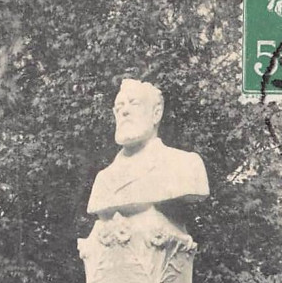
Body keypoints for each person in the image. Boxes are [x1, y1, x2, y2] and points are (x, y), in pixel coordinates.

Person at [87, 79, 209, 216]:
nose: (124, 112)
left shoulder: (185, 164)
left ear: (156, 113)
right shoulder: (104, 179)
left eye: (134, 103)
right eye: (119, 107)